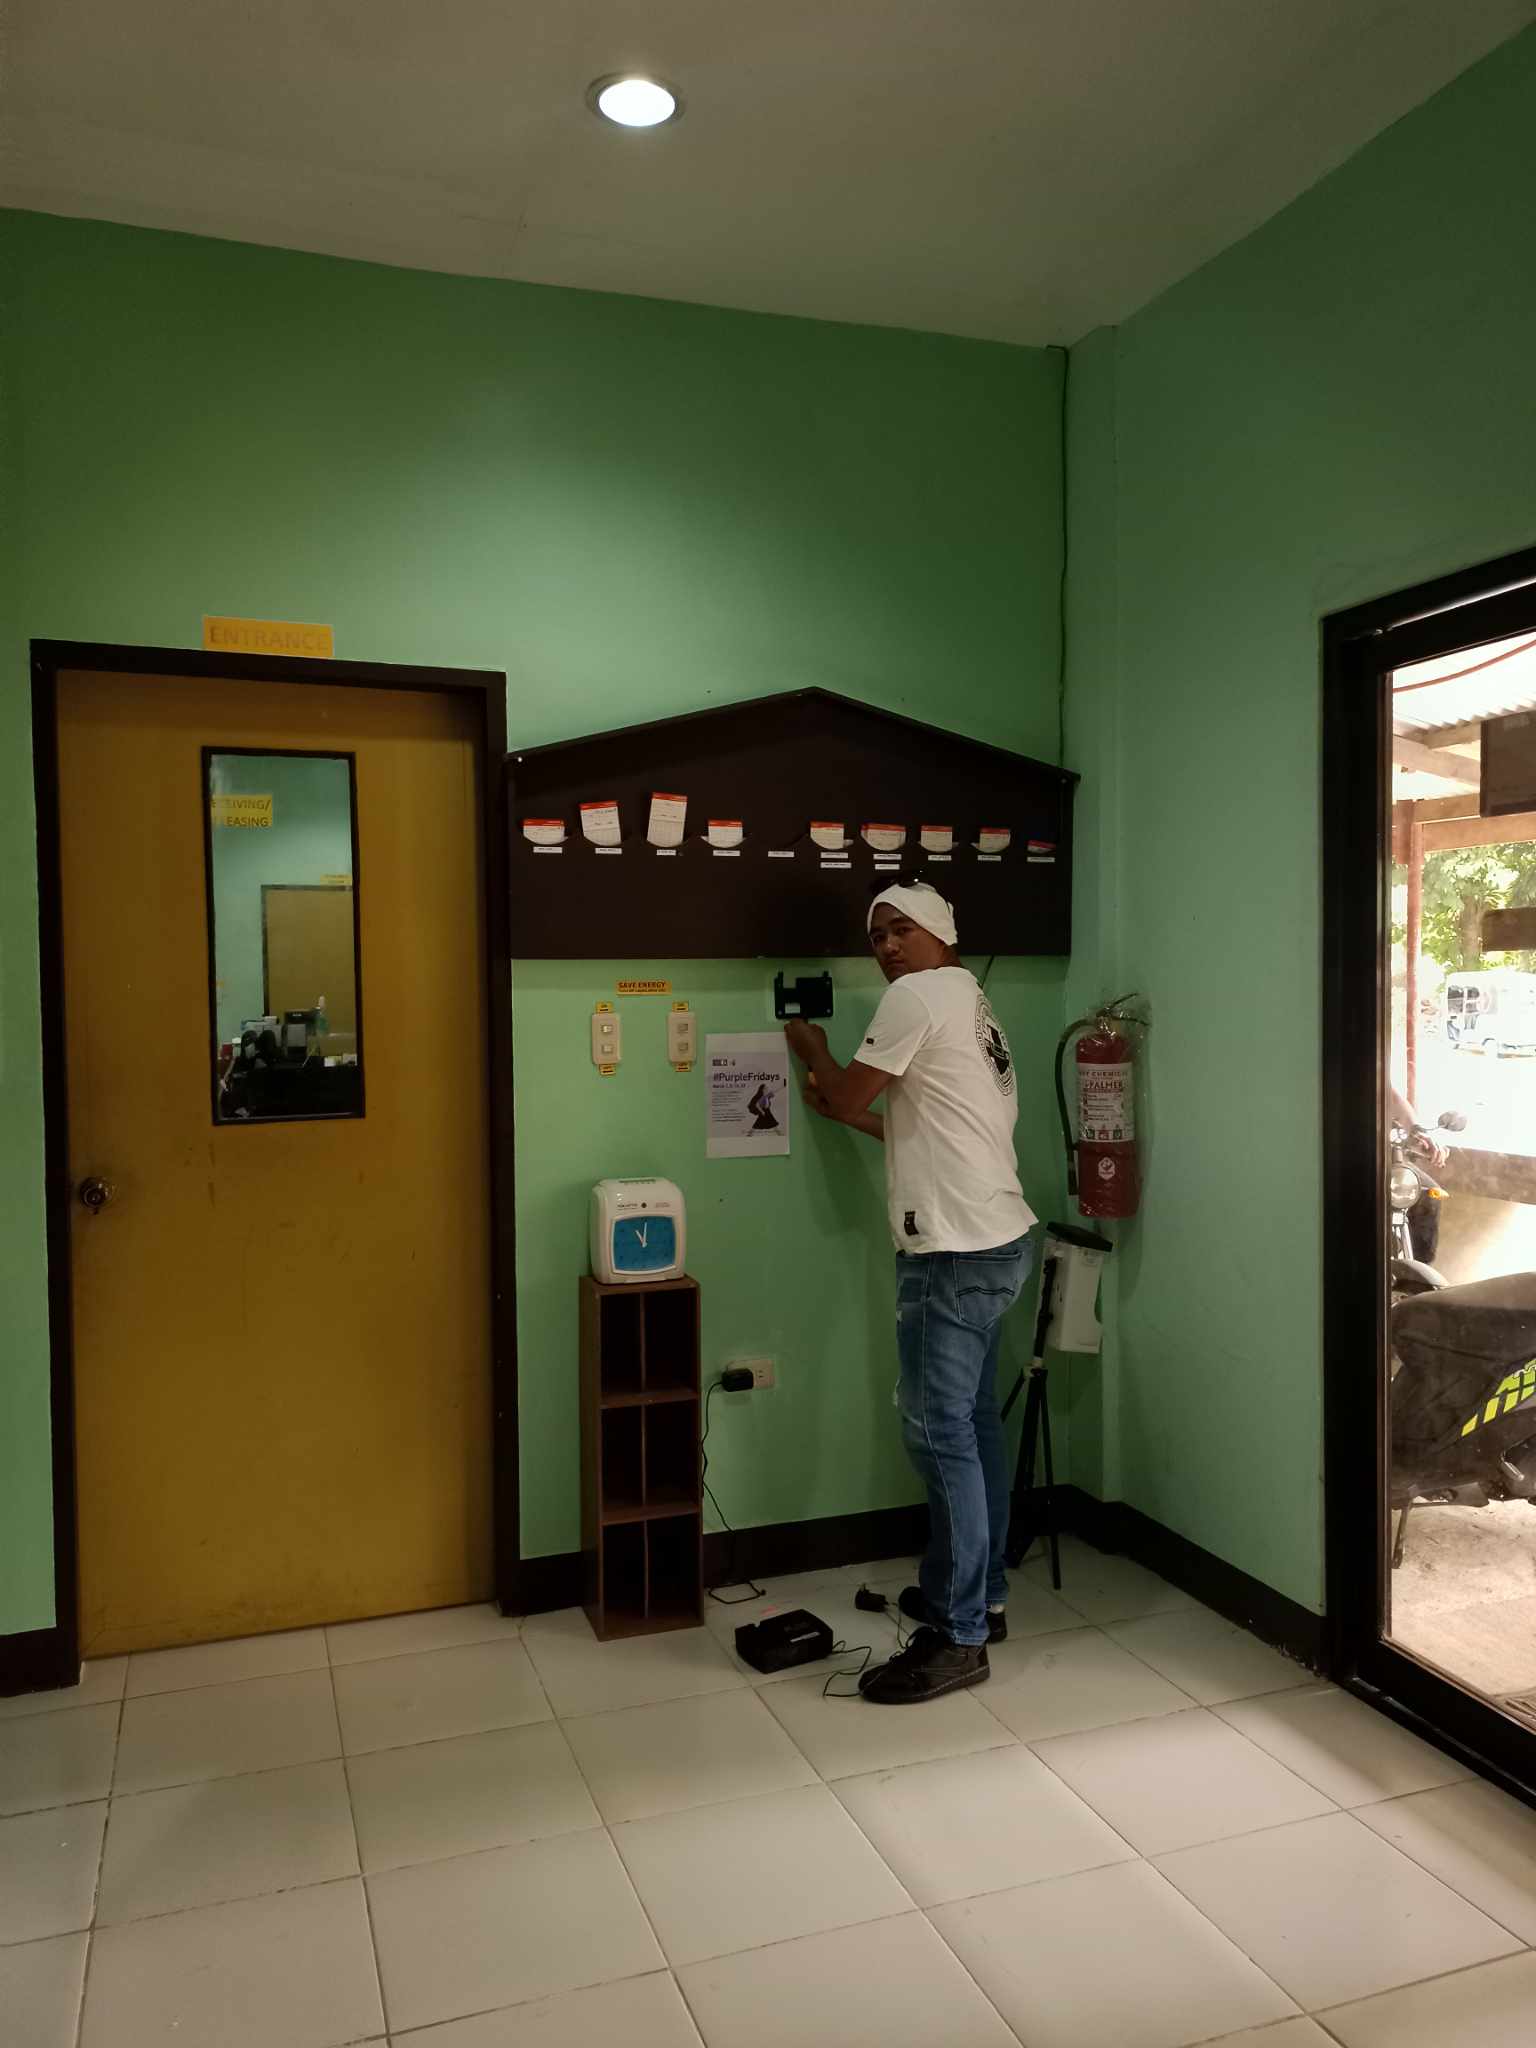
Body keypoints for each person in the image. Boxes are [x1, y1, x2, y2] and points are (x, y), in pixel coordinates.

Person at [784, 880, 1036, 1704]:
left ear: (938, 931)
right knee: (973, 1426)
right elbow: (915, 1122)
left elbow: (847, 1091)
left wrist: (813, 1050)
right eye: (877, 937)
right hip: (998, 1239)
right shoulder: (970, 1000)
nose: (888, 947)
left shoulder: (916, 997)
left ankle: (960, 1637)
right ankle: (979, 1598)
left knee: (937, 1434)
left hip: (951, 1253)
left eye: (901, 930)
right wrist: (839, 1103)